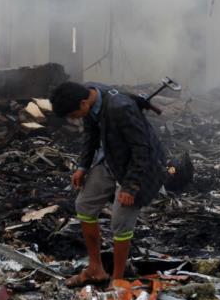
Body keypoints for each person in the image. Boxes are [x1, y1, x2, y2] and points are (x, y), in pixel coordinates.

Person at [49, 81, 166, 287]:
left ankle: (118, 279)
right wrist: (83, 166)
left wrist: (131, 186)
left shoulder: (120, 108)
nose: (73, 119)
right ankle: (96, 268)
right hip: (112, 159)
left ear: (83, 103)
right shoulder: (90, 95)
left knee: (120, 222)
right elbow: (91, 135)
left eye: (73, 114)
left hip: (137, 168)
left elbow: (142, 149)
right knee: (84, 205)